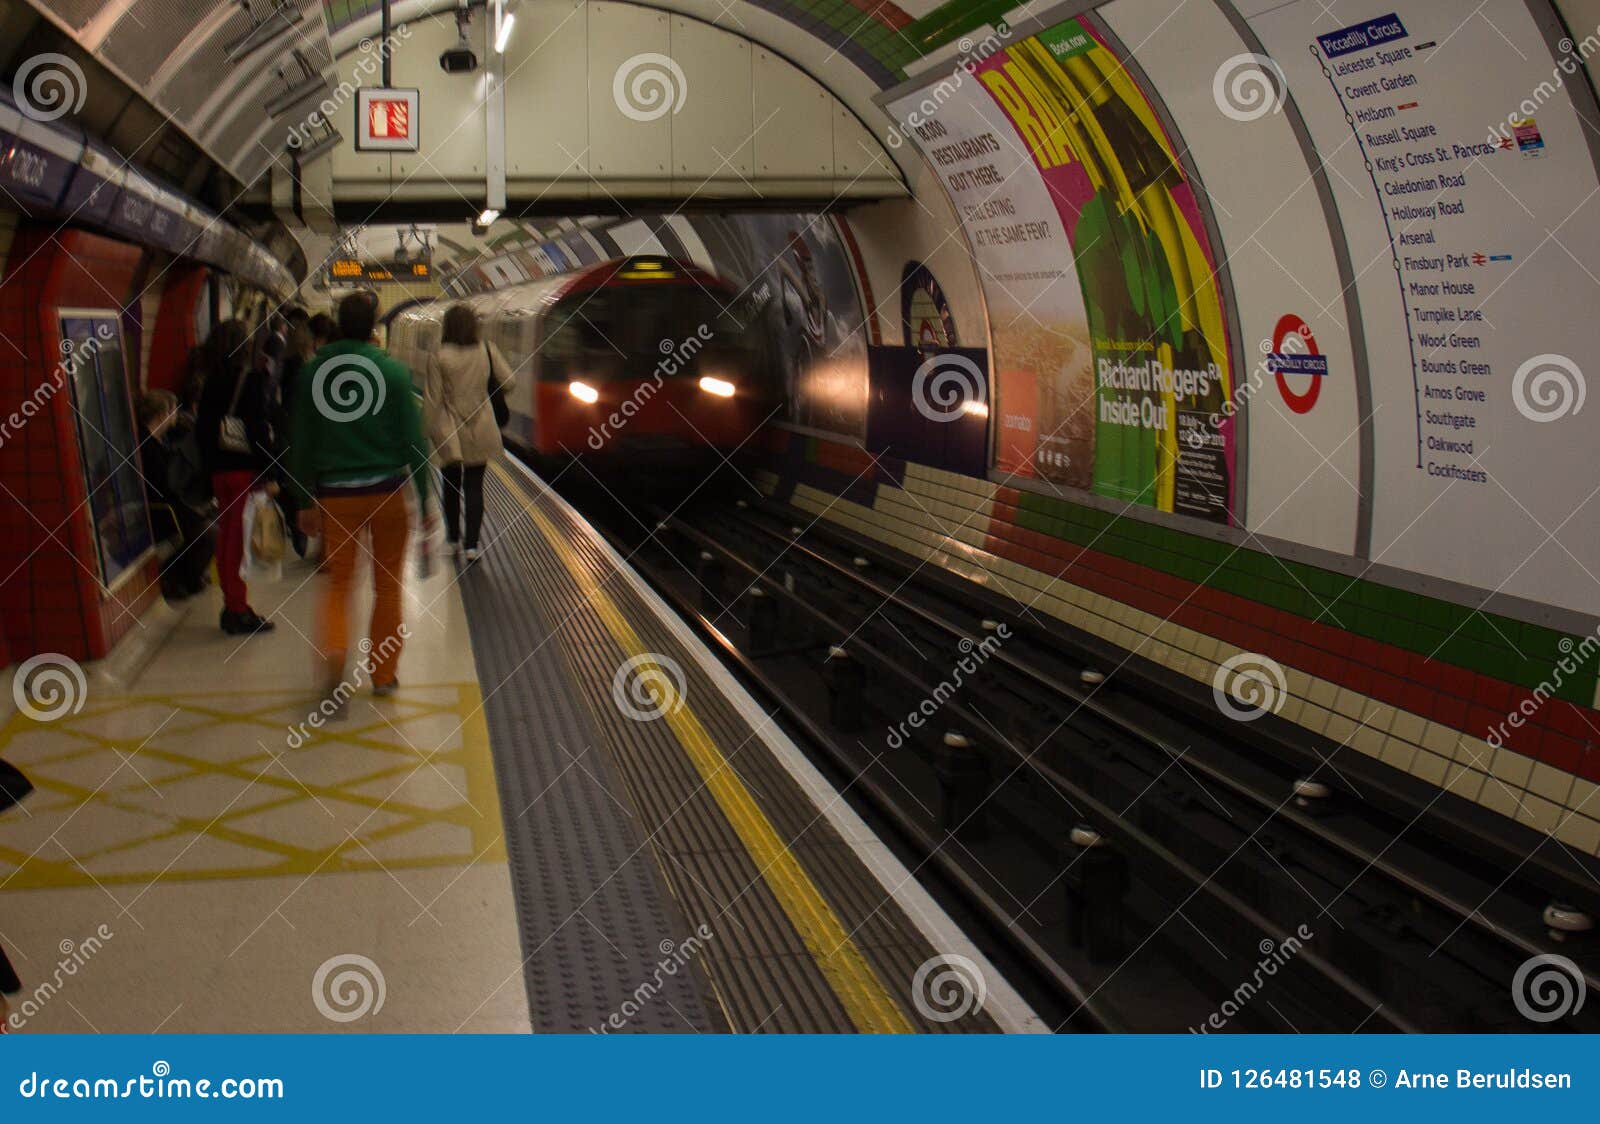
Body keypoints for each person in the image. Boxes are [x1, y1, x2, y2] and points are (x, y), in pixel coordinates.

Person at [289, 292, 433, 701]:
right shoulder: (393, 373)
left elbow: (300, 444)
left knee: (339, 583)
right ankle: (384, 675)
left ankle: (335, 649)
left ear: (335, 324)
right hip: (388, 493)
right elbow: (414, 443)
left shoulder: (312, 375)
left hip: (335, 497)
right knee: (387, 586)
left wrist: (302, 500)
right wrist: (425, 498)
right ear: (374, 328)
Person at [195, 320, 277, 636]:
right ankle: (237, 609)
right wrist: (270, 469)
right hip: (243, 471)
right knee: (238, 542)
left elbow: (202, 431)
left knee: (228, 536)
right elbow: (257, 429)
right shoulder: (251, 379)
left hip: (219, 472)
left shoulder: (209, 381)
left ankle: (233, 603)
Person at [424, 304, 514, 562]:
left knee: (450, 485)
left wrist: (424, 431)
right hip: (481, 426)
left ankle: (452, 540)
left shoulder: (439, 355)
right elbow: (509, 382)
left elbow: (433, 399)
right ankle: (472, 546)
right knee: (475, 486)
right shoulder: (487, 350)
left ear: (447, 327)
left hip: (449, 428)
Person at [136, 389, 214, 600]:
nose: (175, 417)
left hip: (174, 502)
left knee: (212, 518)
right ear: (162, 414)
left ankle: (190, 576)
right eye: (172, 412)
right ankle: (180, 577)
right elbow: (165, 483)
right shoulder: (147, 446)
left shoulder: (161, 440)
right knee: (207, 533)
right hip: (163, 510)